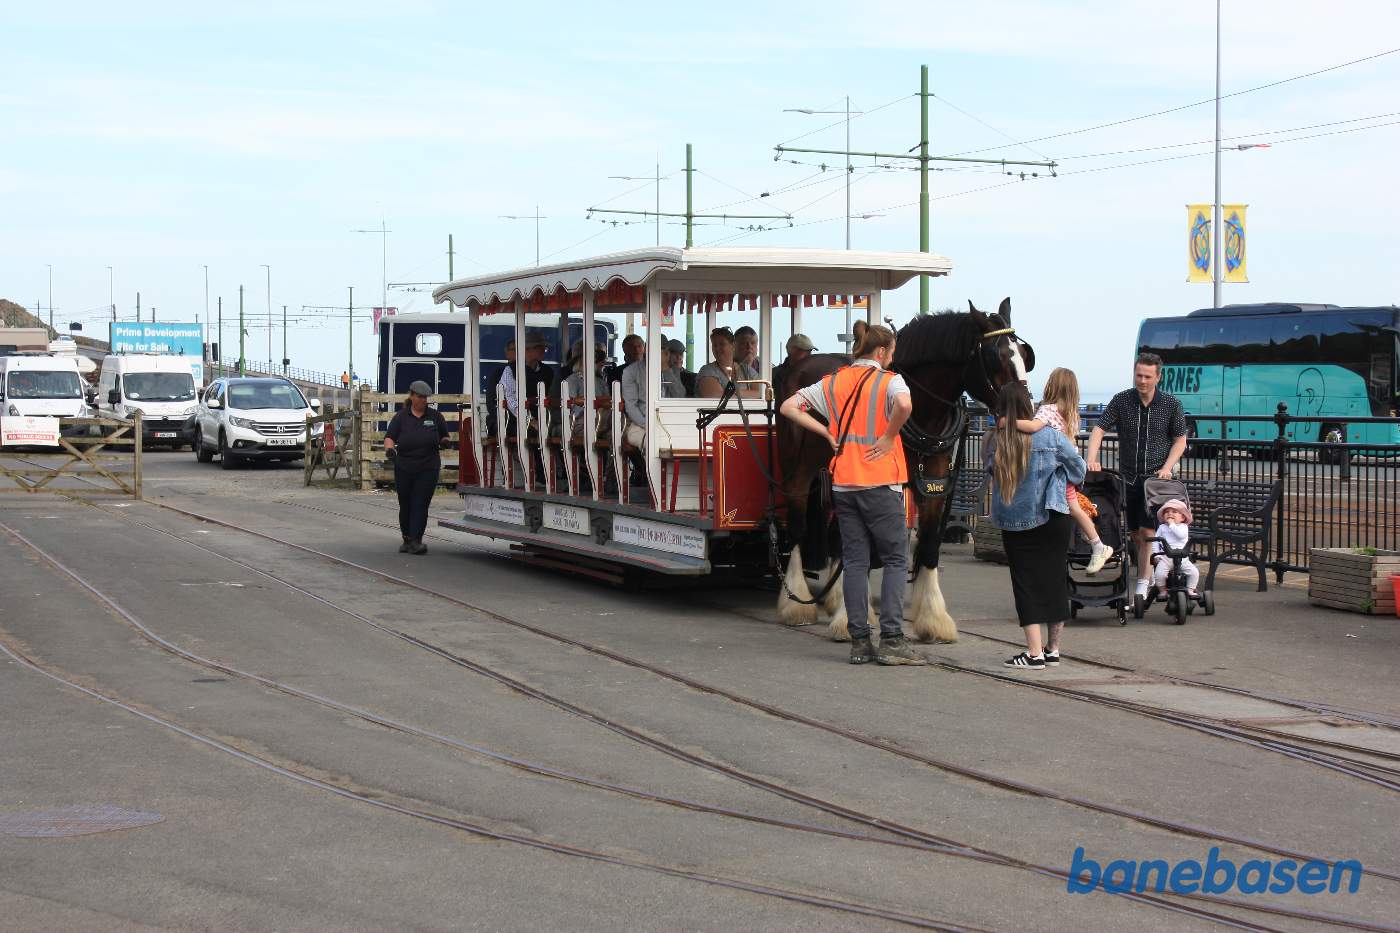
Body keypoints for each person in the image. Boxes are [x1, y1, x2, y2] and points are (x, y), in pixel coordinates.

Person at [779, 323, 924, 666]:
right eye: (891, 353)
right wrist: (889, 436)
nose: (892, 359)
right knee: (894, 559)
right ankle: (891, 639)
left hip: (843, 483)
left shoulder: (834, 381)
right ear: (880, 352)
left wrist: (828, 432)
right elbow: (904, 406)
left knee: (855, 562)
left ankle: (860, 641)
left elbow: (788, 407)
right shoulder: (891, 381)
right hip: (881, 482)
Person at [987, 382, 1087, 671]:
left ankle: (1033, 654)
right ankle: (1053, 650)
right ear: (1027, 408)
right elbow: (1079, 470)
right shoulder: (1051, 437)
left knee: (1026, 584)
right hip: (1053, 517)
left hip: (1016, 523)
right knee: (1055, 580)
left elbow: (992, 471)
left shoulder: (995, 440)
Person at [1086, 353, 1188, 600]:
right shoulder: (1122, 400)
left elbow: (1180, 440)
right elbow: (1099, 429)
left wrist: (1167, 467)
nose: (1142, 380)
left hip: (1155, 482)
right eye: (1138, 375)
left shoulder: (1171, 404)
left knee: (1146, 533)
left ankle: (1143, 584)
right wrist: (1091, 457)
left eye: (1147, 376)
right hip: (1128, 478)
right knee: (1134, 533)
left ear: (1158, 377)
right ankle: (1152, 574)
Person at [1015, 367, 1112, 574]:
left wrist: (1008, 423)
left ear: (1052, 385)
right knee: (1072, 506)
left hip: (1056, 470)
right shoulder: (1070, 413)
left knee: (1071, 507)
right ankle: (1091, 534)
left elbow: (1033, 428)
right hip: (1068, 466)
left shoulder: (1048, 409)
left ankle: (1098, 545)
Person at [384, 380, 449, 555]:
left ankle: (416, 540)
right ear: (411, 396)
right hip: (404, 466)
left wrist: (445, 442)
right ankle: (406, 539)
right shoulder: (401, 417)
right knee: (405, 504)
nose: (423, 400)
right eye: (420, 397)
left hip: (428, 467)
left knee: (420, 503)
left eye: (425, 398)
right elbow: (389, 437)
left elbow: (444, 436)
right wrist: (390, 450)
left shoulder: (435, 416)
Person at [1152, 499, 1199, 597]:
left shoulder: (1183, 527)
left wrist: (1172, 525)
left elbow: (1181, 535)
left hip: (1182, 558)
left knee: (1194, 573)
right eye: (1167, 512)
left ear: (1182, 517)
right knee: (1159, 574)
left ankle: (1190, 589)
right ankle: (1162, 590)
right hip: (1165, 557)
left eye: (1174, 512)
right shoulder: (1162, 527)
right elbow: (1156, 540)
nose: (1170, 514)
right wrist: (1156, 554)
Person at [697, 327, 759, 398]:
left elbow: (761, 393)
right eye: (714, 345)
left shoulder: (746, 369)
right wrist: (748, 394)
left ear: (733, 345)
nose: (717, 348)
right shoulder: (707, 370)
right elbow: (715, 396)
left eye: (721, 344)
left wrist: (732, 392)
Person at [771, 333, 815, 401]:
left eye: (810, 351)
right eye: (805, 351)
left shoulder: (812, 374)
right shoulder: (775, 374)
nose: (809, 355)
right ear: (792, 350)